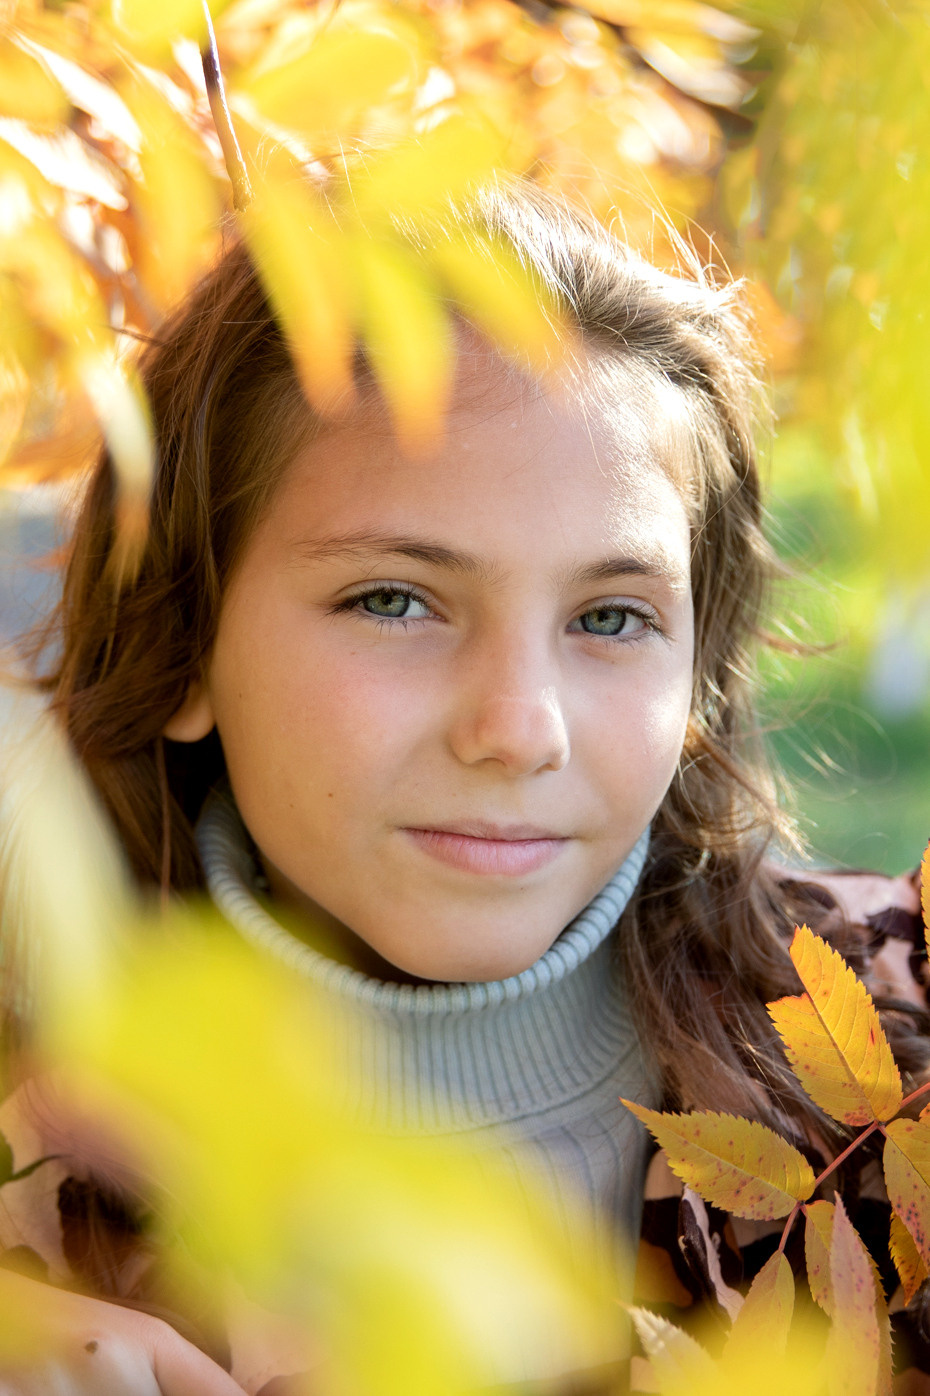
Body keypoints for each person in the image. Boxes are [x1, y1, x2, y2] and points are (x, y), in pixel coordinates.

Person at [0, 182, 926, 1394]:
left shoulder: (904, 1061)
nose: (520, 730)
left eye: (611, 617)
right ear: (184, 643)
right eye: (395, 600)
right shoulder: (35, 1166)